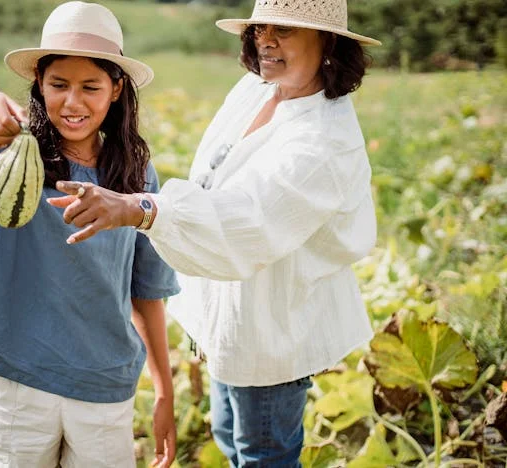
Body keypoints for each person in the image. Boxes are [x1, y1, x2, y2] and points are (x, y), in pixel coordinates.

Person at [46, 0, 381, 465]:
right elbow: (213, 183)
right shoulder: (257, 90)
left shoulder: (323, 142)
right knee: (228, 433)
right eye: (261, 28)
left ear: (328, 43)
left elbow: (246, 220)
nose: (266, 39)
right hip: (233, 309)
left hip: (273, 324)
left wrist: (138, 207)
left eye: (284, 30)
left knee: (263, 452)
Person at [0, 2, 180, 467]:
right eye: (58, 85)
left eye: (91, 87)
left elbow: (147, 290)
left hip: (103, 385)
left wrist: (164, 391)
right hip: (16, 380)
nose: (73, 102)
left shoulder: (136, 173)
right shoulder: (6, 152)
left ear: (116, 90)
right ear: (38, 86)